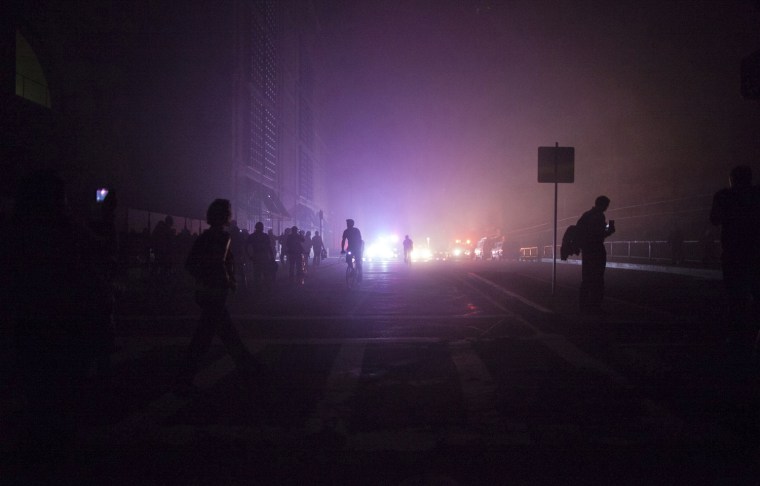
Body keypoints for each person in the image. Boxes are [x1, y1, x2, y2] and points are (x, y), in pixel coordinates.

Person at [177, 199, 262, 392]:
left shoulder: (206, 237)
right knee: (207, 338)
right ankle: (184, 380)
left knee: (223, 333)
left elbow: (193, 264)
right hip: (214, 292)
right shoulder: (222, 238)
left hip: (209, 291)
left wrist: (209, 278)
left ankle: (247, 366)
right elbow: (219, 263)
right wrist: (225, 280)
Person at [710, 165, 760, 348]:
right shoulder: (756, 194)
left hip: (733, 252)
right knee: (756, 293)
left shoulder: (724, 196)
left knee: (735, 296)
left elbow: (714, 219)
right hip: (755, 251)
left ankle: (738, 336)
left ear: (732, 179)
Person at [576, 195, 615, 314]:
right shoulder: (599, 216)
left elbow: (579, 230)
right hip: (597, 249)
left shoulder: (586, 215)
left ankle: (583, 305)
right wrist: (609, 231)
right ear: (602, 205)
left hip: (587, 250)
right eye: (606, 205)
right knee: (598, 279)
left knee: (586, 278)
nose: (607, 208)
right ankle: (595, 306)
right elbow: (599, 234)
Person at [246, 221, 275, 293]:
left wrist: (249, 256)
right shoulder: (265, 236)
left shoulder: (252, 236)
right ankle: (268, 288)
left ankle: (258, 288)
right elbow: (269, 247)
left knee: (257, 273)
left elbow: (246, 246)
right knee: (266, 273)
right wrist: (272, 257)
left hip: (256, 256)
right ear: (262, 228)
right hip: (264, 256)